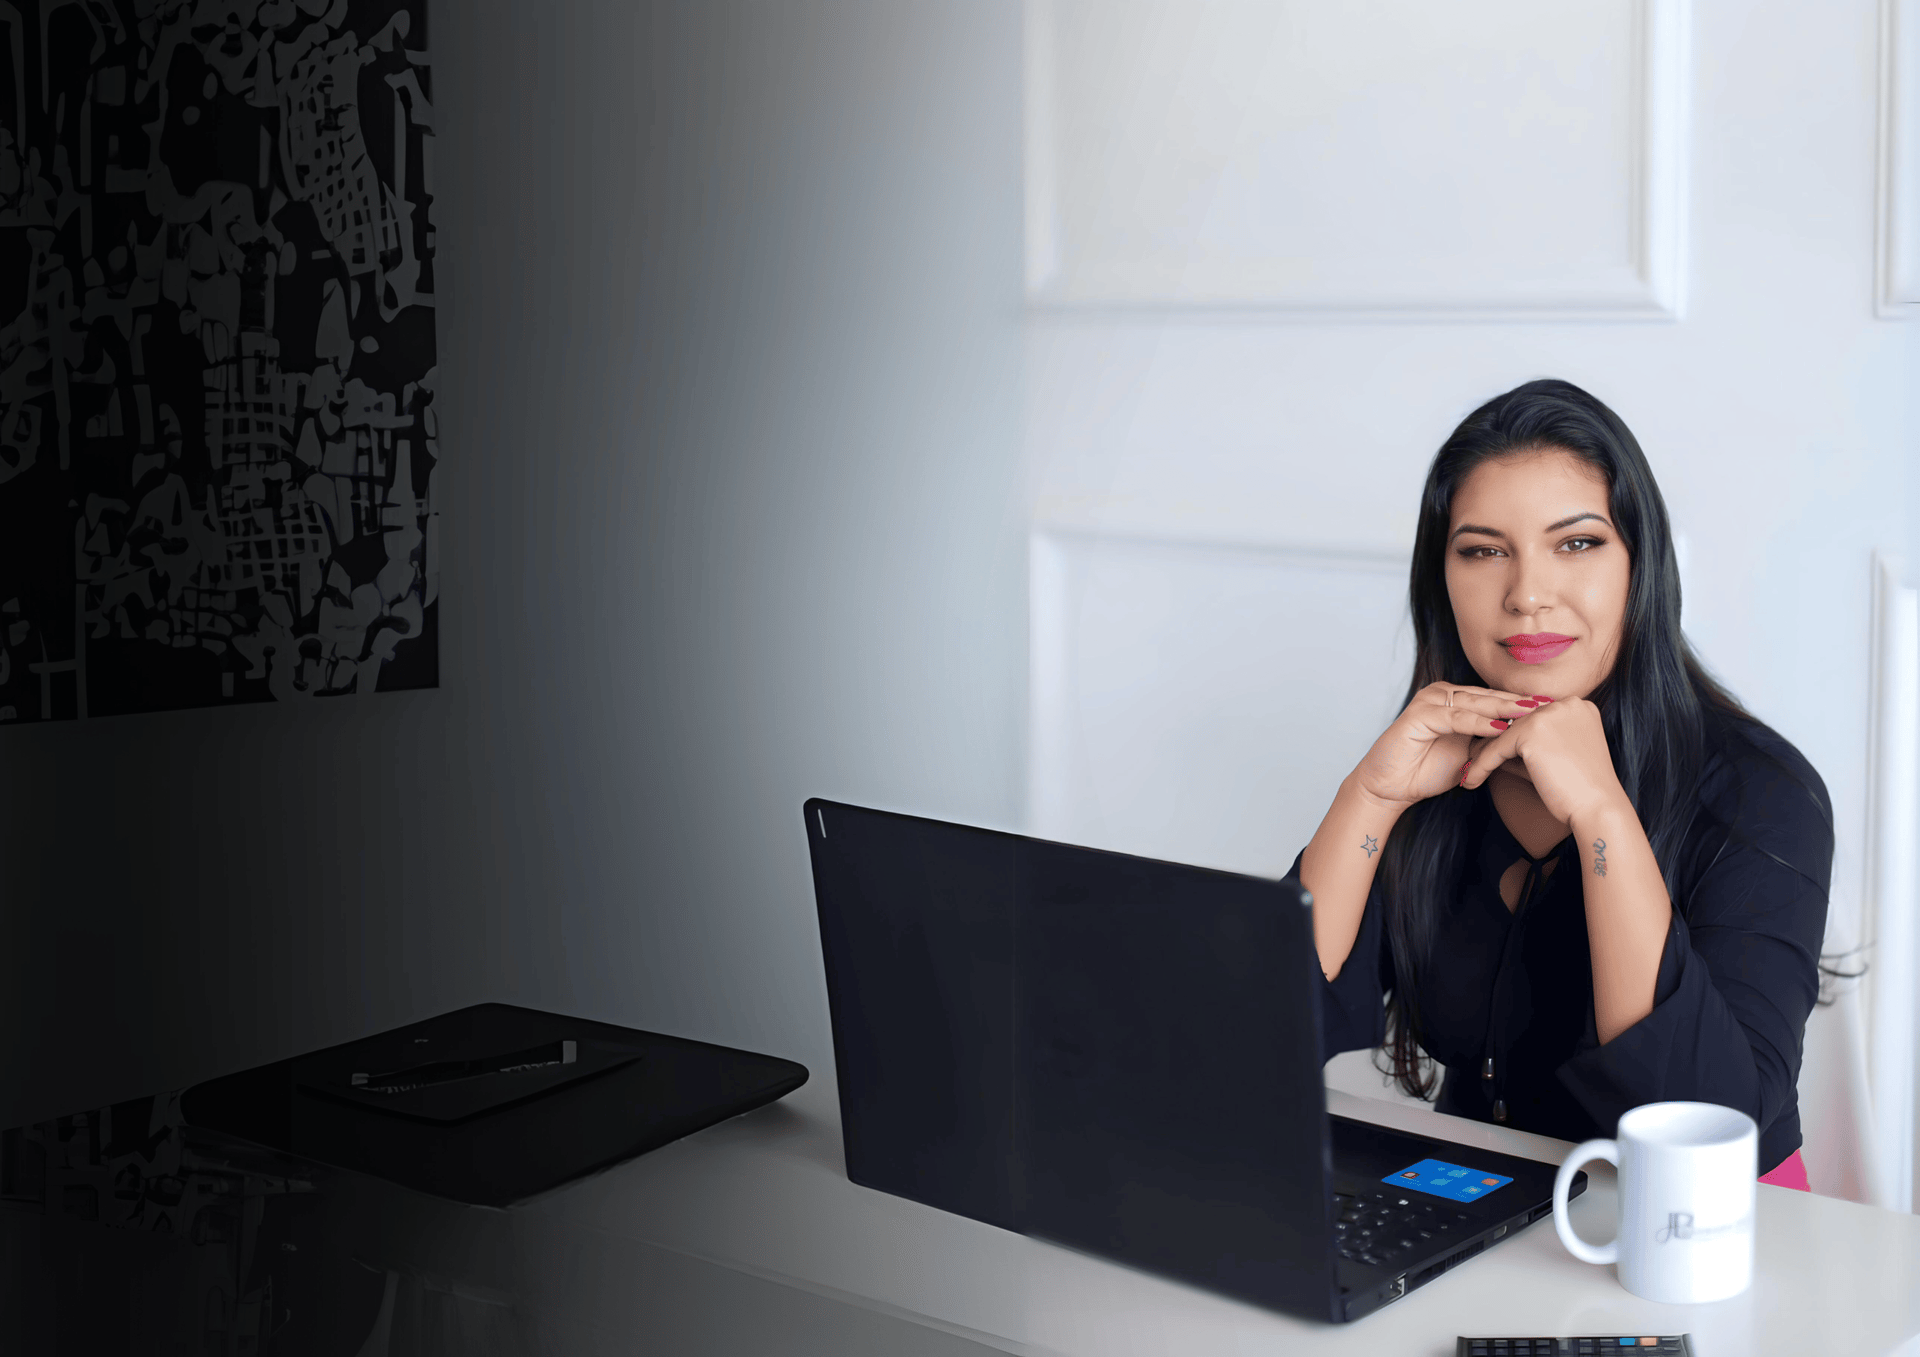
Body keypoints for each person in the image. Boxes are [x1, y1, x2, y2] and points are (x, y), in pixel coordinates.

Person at [1295, 378, 1831, 1188]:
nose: (1526, 595)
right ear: (1442, 577)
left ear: (1640, 565)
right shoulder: (1433, 774)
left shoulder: (1761, 791)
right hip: (1483, 1204)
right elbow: (1264, 1035)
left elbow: (1712, 1133)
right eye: (1483, 550)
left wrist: (1601, 811)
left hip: (1707, 1226)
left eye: (1576, 543)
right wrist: (1368, 798)